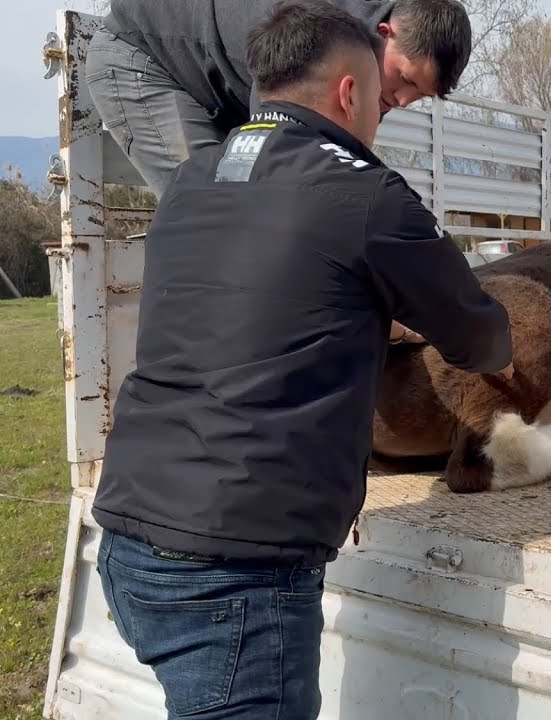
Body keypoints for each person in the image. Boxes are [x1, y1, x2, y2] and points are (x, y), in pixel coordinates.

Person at [90, 2, 513, 717]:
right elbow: (482, 342)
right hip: (236, 579)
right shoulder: (367, 195)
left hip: (130, 546)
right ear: (351, 93)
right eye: (388, 97)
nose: (389, 114)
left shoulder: (194, 183)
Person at [85, 0, 469, 345]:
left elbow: (352, 170)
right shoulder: (313, 32)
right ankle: (210, 370)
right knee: (219, 216)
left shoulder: (367, 64)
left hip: (224, 82)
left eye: (420, 95)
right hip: (145, 58)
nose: (402, 101)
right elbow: (286, 161)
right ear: (385, 34)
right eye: (405, 80)